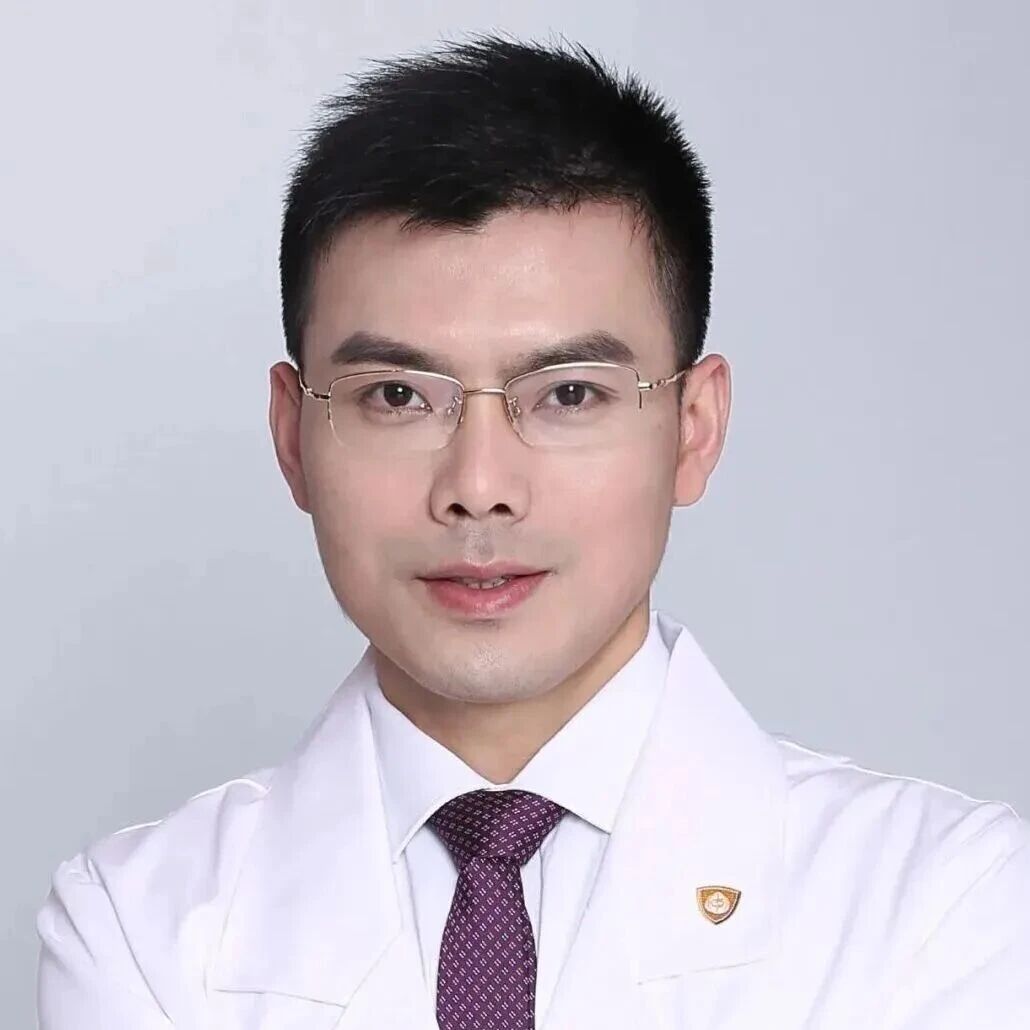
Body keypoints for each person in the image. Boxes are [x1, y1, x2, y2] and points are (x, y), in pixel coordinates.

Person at [36, 34, 1029, 1030]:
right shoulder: (141, 930)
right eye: (396, 395)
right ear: (292, 436)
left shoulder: (941, 906)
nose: (479, 488)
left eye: (568, 394)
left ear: (694, 428)